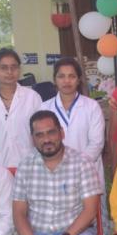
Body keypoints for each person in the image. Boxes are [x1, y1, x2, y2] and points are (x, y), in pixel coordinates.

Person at [40, 57, 105, 188]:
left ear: (79, 80)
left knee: (89, 201)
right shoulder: (44, 108)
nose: (67, 81)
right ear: (55, 80)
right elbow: (41, 142)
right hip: (55, 172)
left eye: (72, 76)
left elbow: (96, 143)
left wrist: (75, 167)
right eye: (61, 76)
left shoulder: (92, 106)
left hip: (87, 173)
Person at [0, 48, 42, 169]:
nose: (10, 72)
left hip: (28, 163)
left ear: (19, 69)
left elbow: (41, 131)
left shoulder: (32, 97)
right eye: (3, 68)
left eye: (14, 67)